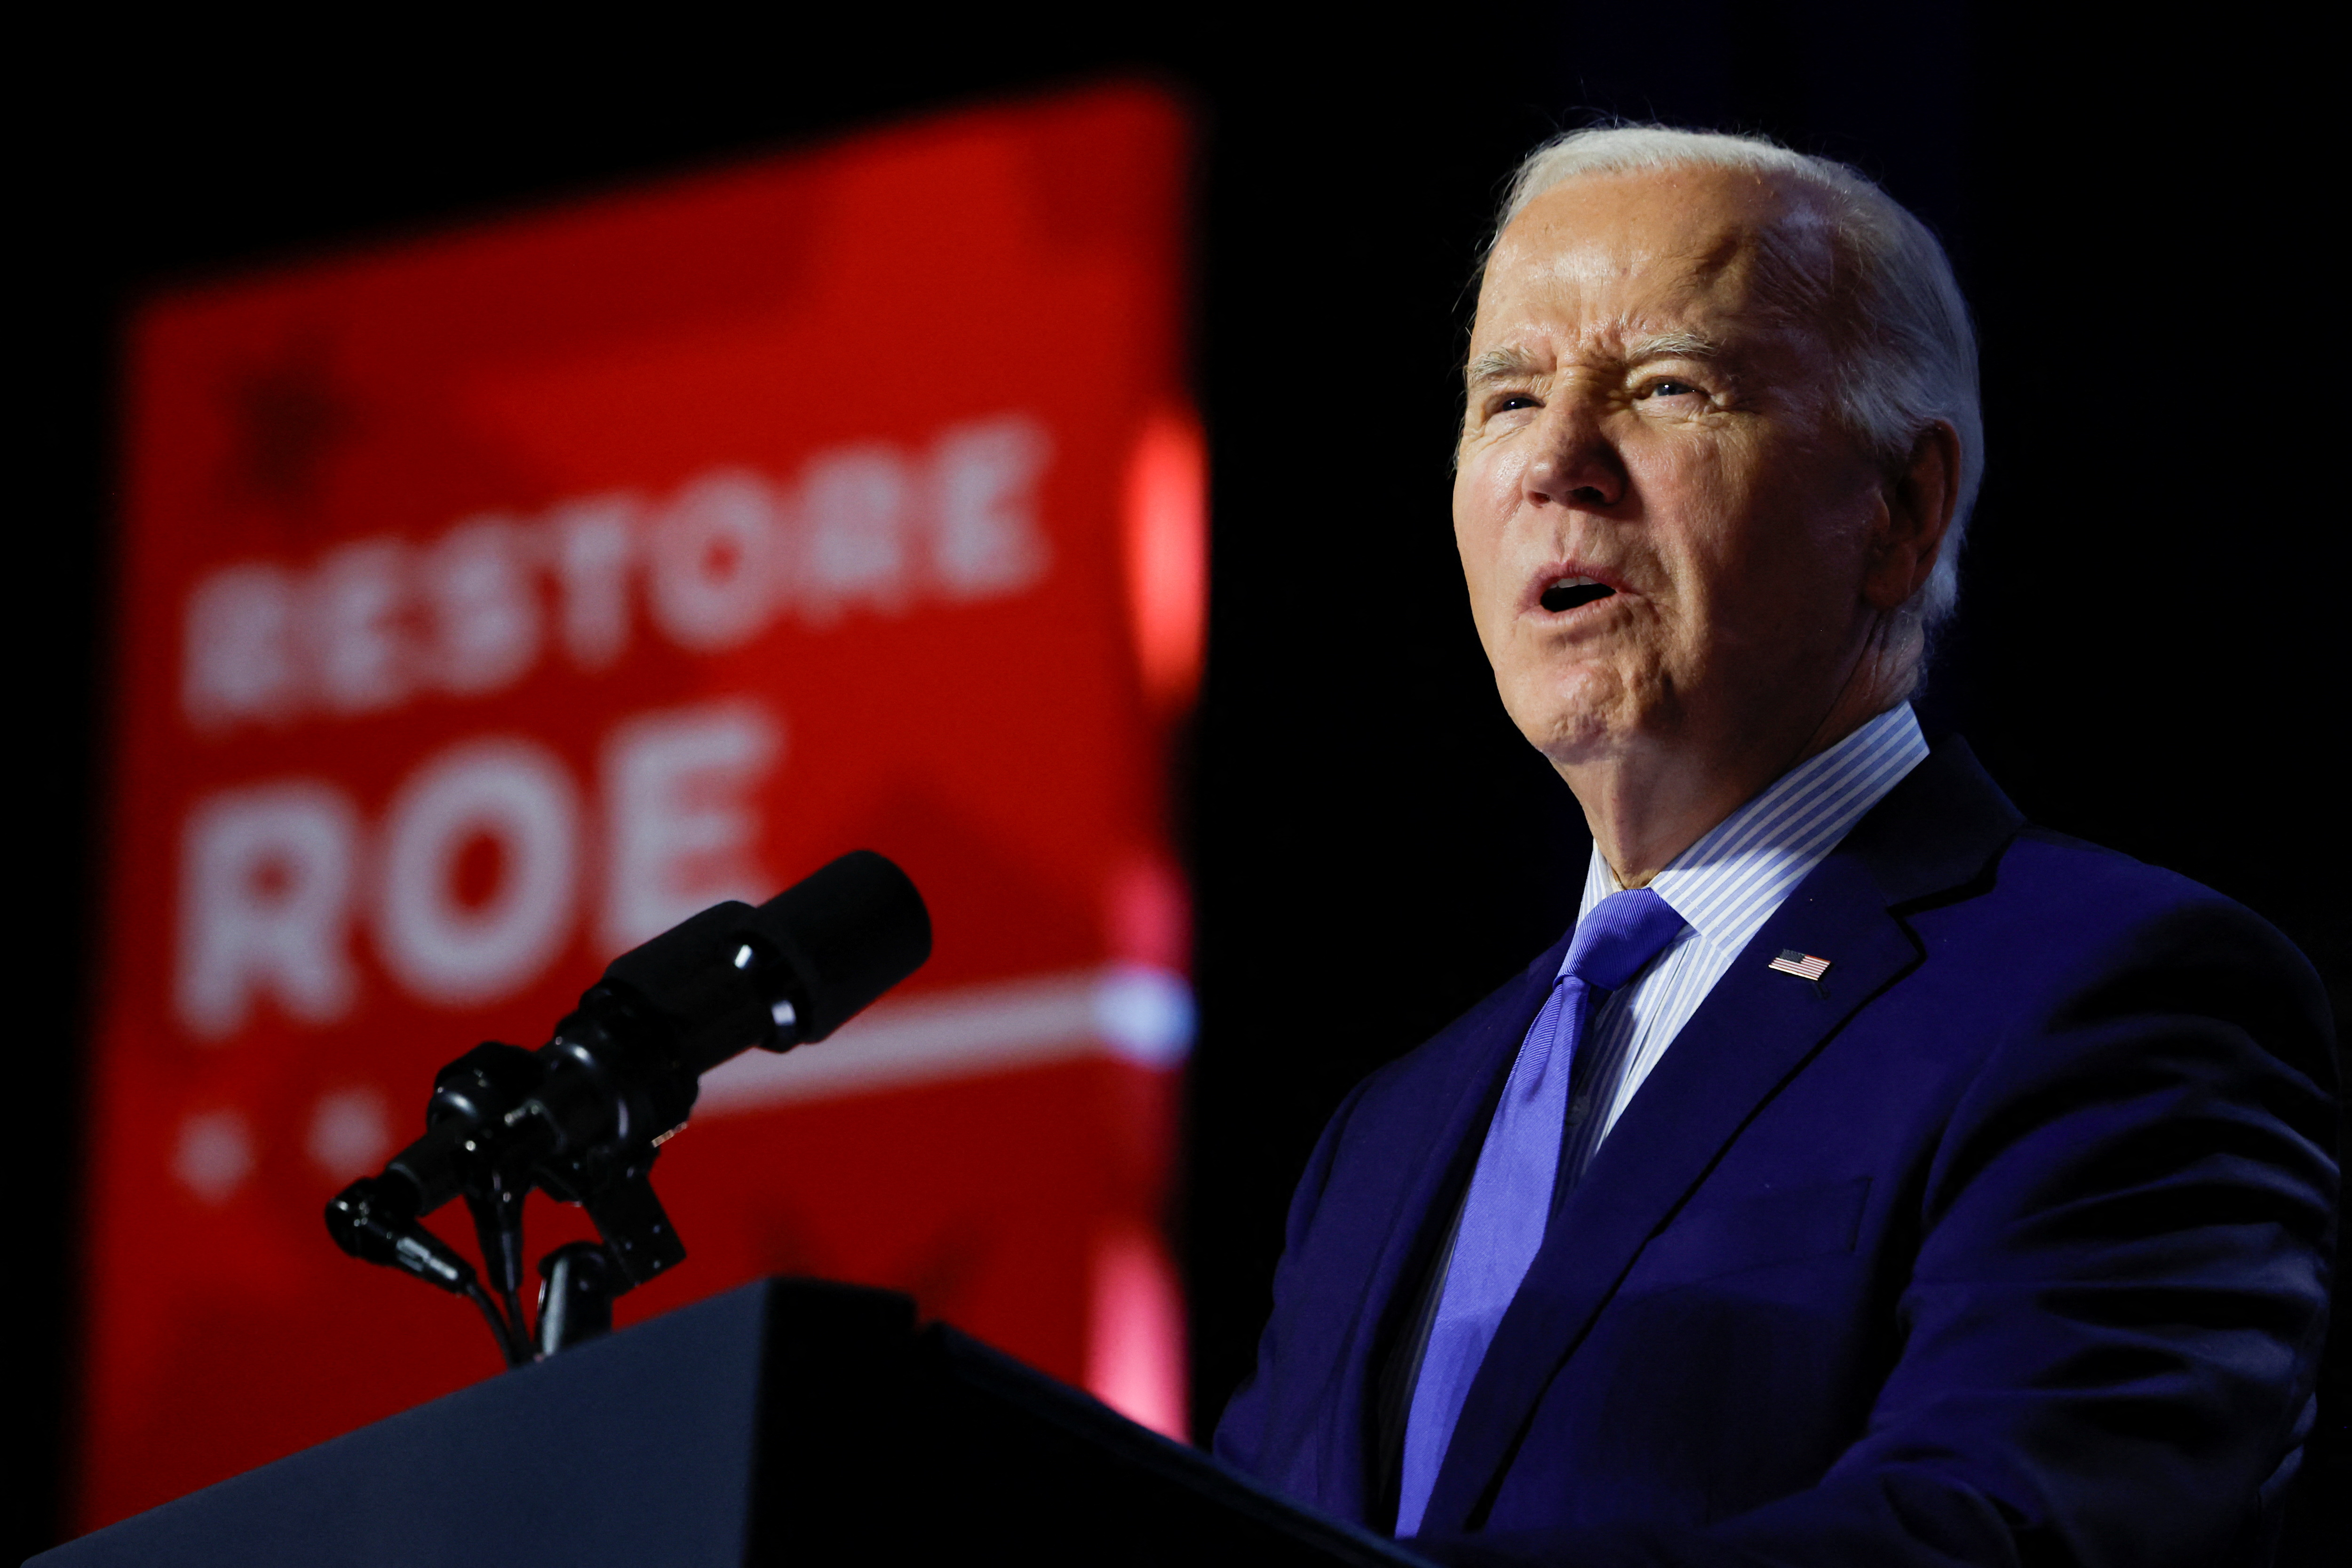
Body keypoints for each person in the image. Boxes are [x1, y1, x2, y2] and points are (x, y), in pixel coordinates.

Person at [1212, 126, 2337, 1567]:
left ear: (1900, 516)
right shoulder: (1383, 1139)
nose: (1557, 460)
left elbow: (2004, 1534)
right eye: (1505, 397)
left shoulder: (2119, 1000)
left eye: (1669, 388)